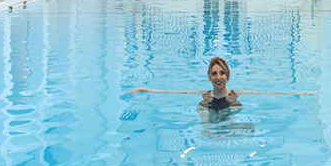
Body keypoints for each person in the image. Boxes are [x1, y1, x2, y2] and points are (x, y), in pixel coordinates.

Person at [127, 55, 316, 110]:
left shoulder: (237, 93)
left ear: (227, 76)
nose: (218, 77)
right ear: (209, 76)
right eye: (215, 74)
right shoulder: (203, 95)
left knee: (234, 107)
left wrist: (301, 94)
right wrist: (144, 89)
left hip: (229, 109)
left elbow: (268, 94)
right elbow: (172, 93)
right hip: (209, 108)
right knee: (203, 108)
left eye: (222, 73)